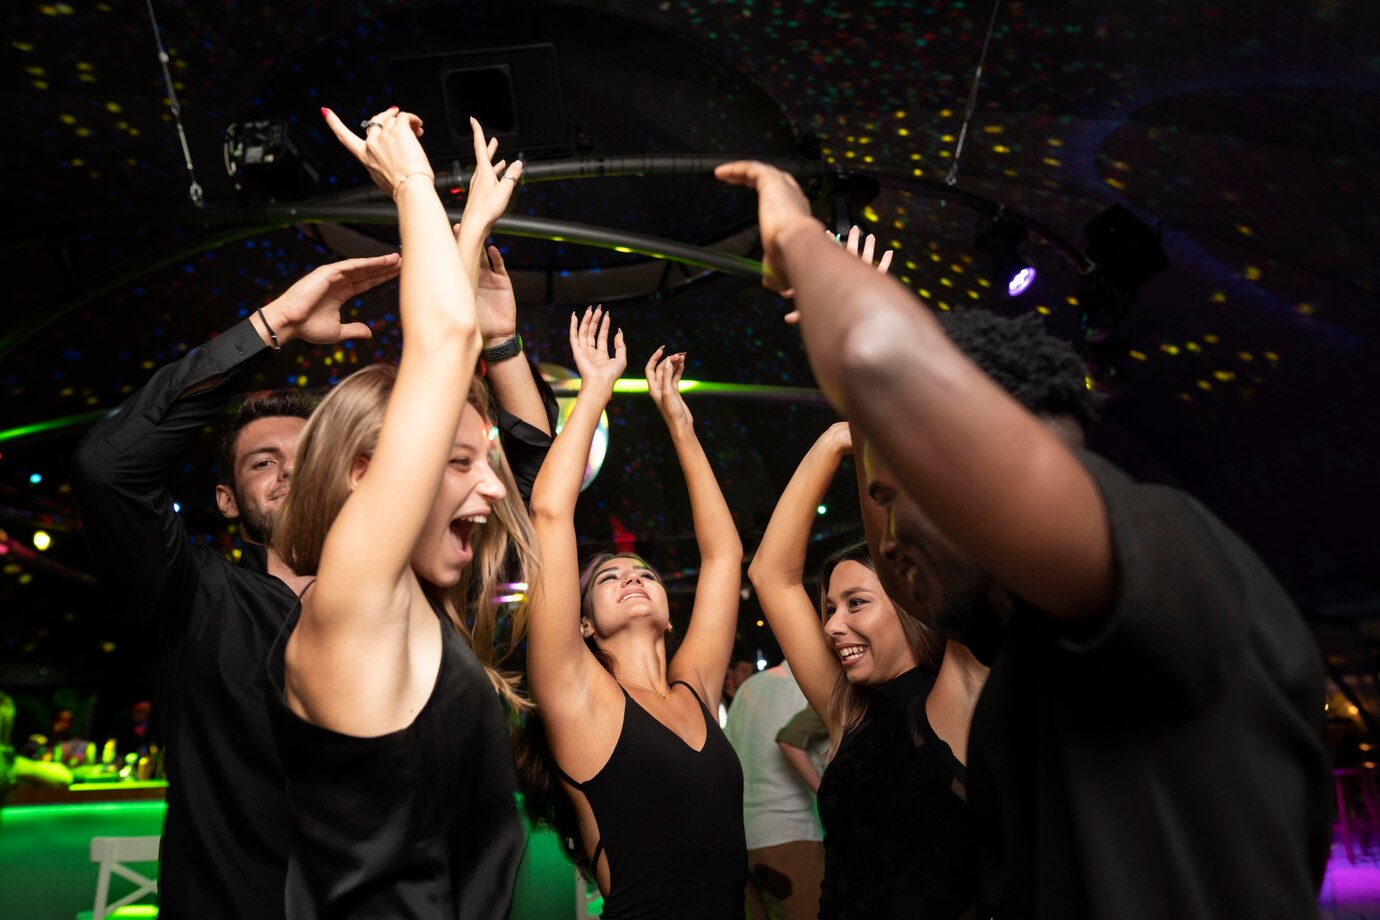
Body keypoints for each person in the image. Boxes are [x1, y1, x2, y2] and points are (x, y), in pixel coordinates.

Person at [716, 159, 1332, 919]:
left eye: (903, 498)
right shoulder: (1021, 685)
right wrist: (870, 432)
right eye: (881, 505)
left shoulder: (1167, 563)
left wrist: (797, 238)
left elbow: (883, 364)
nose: (890, 544)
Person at [71, 129, 551, 920]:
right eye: (263, 462)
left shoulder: (416, 592)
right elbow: (109, 466)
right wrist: (275, 325)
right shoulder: (199, 604)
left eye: (306, 454)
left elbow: (525, 491)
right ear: (227, 499)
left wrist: (494, 330)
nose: (292, 472)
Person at [261, 108, 531, 918]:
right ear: (366, 476)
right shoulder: (350, 605)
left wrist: (468, 234)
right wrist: (410, 180)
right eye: (459, 464)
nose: (493, 490)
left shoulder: (405, 612)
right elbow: (443, 340)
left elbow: (457, 358)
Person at [519, 307, 747, 918]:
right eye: (609, 577)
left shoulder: (694, 687)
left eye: (645, 573)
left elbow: (723, 556)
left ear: (670, 615)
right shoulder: (578, 694)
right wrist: (595, 387)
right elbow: (549, 514)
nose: (632, 577)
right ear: (583, 624)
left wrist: (680, 424)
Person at [748, 423, 976, 919]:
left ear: (910, 599)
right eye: (830, 608)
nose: (832, 626)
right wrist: (834, 441)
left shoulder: (959, 692)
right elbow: (770, 575)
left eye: (856, 603)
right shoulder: (849, 711)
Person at [723, 662, 825, 920]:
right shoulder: (814, 683)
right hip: (792, 838)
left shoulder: (750, 686)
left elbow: (726, 752)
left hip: (745, 841)